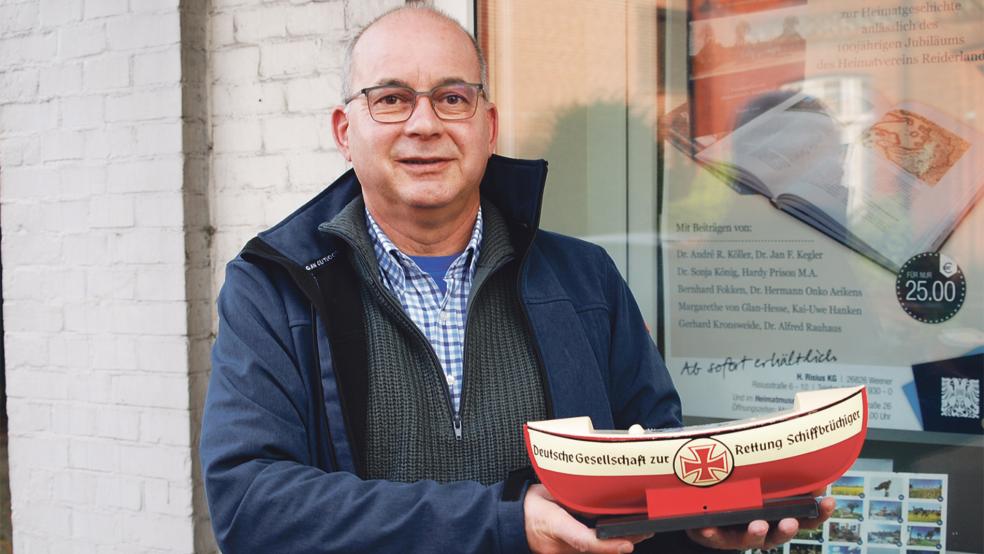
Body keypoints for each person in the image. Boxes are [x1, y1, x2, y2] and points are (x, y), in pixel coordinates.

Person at [200, 6, 833, 553]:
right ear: (346, 131)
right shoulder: (275, 289)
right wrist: (504, 524)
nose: (425, 124)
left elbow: (652, 466)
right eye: (391, 99)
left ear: (489, 127)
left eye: (453, 98)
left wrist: (703, 524)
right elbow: (249, 504)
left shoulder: (586, 279)